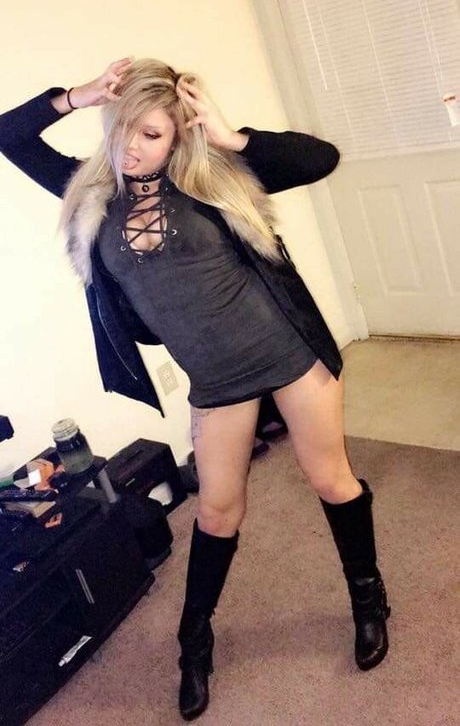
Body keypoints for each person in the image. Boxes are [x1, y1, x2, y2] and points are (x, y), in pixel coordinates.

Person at [0, 58, 391, 721]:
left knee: (331, 480)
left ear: (178, 135)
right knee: (215, 512)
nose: (132, 146)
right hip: (216, 381)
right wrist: (76, 96)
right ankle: (195, 639)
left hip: (287, 353)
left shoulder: (212, 177)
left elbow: (320, 158)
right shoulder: (92, 196)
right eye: (123, 128)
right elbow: (8, 135)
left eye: (151, 134)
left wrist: (231, 136)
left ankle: (368, 595)